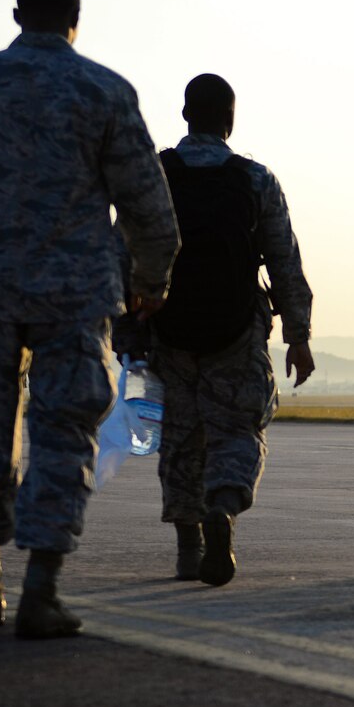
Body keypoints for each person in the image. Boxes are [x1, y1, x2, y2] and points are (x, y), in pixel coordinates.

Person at [0, 0, 179, 638]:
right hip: (76, 291)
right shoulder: (104, 91)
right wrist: (152, 279)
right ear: (75, 18)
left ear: (16, 13)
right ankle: (41, 588)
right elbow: (148, 203)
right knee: (63, 431)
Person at [141, 74, 315, 585]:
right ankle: (223, 507)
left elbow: (123, 250)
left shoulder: (155, 174)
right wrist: (298, 336)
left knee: (180, 440)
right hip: (235, 332)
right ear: (229, 120)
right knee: (238, 429)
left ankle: (188, 548)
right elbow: (284, 262)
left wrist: (122, 330)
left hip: (169, 332)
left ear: (185, 115)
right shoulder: (256, 180)